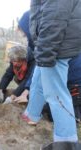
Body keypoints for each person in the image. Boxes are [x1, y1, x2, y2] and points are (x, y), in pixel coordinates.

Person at [23, 0, 81, 142]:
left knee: (56, 95)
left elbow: (54, 19)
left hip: (56, 46)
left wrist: (46, 51)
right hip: (50, 44)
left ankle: (66, 140)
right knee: (38, 80)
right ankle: (32, 115)